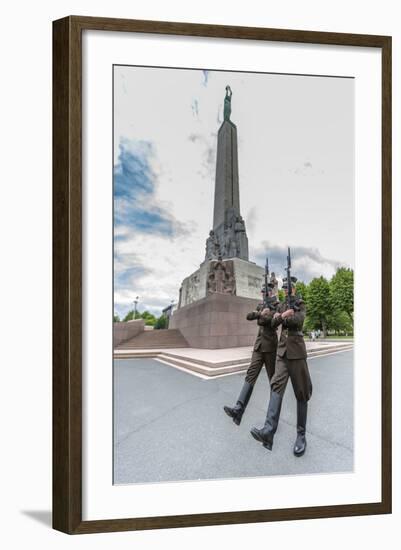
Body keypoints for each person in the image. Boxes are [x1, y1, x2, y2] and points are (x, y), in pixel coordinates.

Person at [250, 276, 312, 456]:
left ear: (294, 288)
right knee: (276, 385)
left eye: (288, 287)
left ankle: (301, 436)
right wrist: (282, 315)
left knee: (301, 392)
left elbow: (298, 322)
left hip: (297, 352)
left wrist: (283, 317)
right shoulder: (283, 306)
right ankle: (268, 432)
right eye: (284, 287)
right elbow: (273, 322)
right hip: (282, 352)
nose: (285, 290)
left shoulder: (300, 303)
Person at [223, 282, 279, 425]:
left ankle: (272, 420)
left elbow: (270, 322)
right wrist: (261, 313)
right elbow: (249, 316)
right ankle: (238, 408)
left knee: (273, 381)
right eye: (262, 292)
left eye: (265, 292)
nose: (262, 294)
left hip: (270, 348)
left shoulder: (277, 305)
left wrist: (262, 315)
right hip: (259, 347)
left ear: (271, 292)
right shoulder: (261, 306)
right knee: (250, 375)